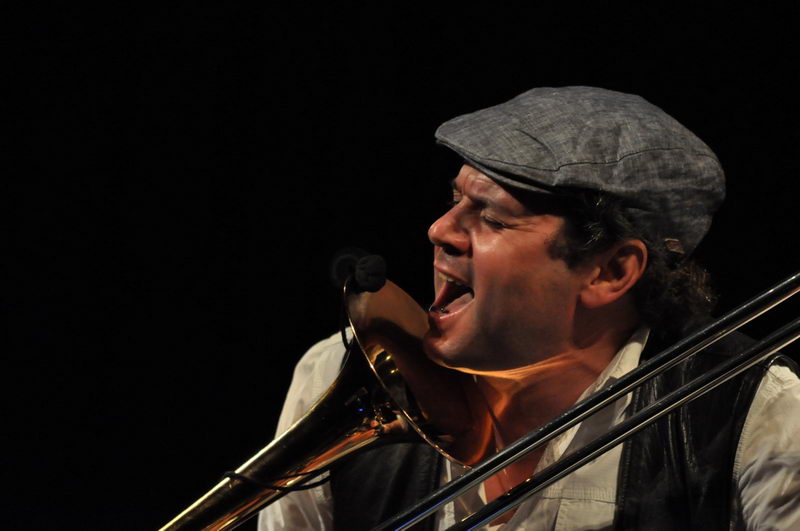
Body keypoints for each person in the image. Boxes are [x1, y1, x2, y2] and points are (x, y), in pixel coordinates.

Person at [259, 87, 800, 530]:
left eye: (493, 219)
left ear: (610, 272)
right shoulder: (343, 371)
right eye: (455, 201)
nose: (439, 231)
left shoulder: (760, 411)